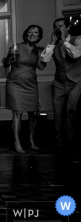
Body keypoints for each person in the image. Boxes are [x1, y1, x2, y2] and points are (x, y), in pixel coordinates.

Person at [3, 25, 46, 153]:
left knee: (34, 114)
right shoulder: (16, 46)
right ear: (25, 34)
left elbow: (41, 67)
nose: (32, 34)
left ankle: (31, 139)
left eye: (36, 32)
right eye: (29, 31)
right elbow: (6, 64)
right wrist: (10, 56)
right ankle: (17, 142)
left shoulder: (38, 51)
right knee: (18, 113)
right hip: (15, 84)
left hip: (31, 85)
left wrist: (44, 55)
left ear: (39, 36)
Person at [40, 18, 81, 150]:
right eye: (55, 26)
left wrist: (64, 40)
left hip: (76, 82)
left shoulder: (78, 39)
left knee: (71, 111)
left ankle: (72, 141)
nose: (58, 28)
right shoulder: (54, 44)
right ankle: (60, 139)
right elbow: (44, 59)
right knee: (58, 113)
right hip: (59, 82)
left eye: (61, 26)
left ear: (68, 27)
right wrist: (52, 42)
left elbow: (75, 55)